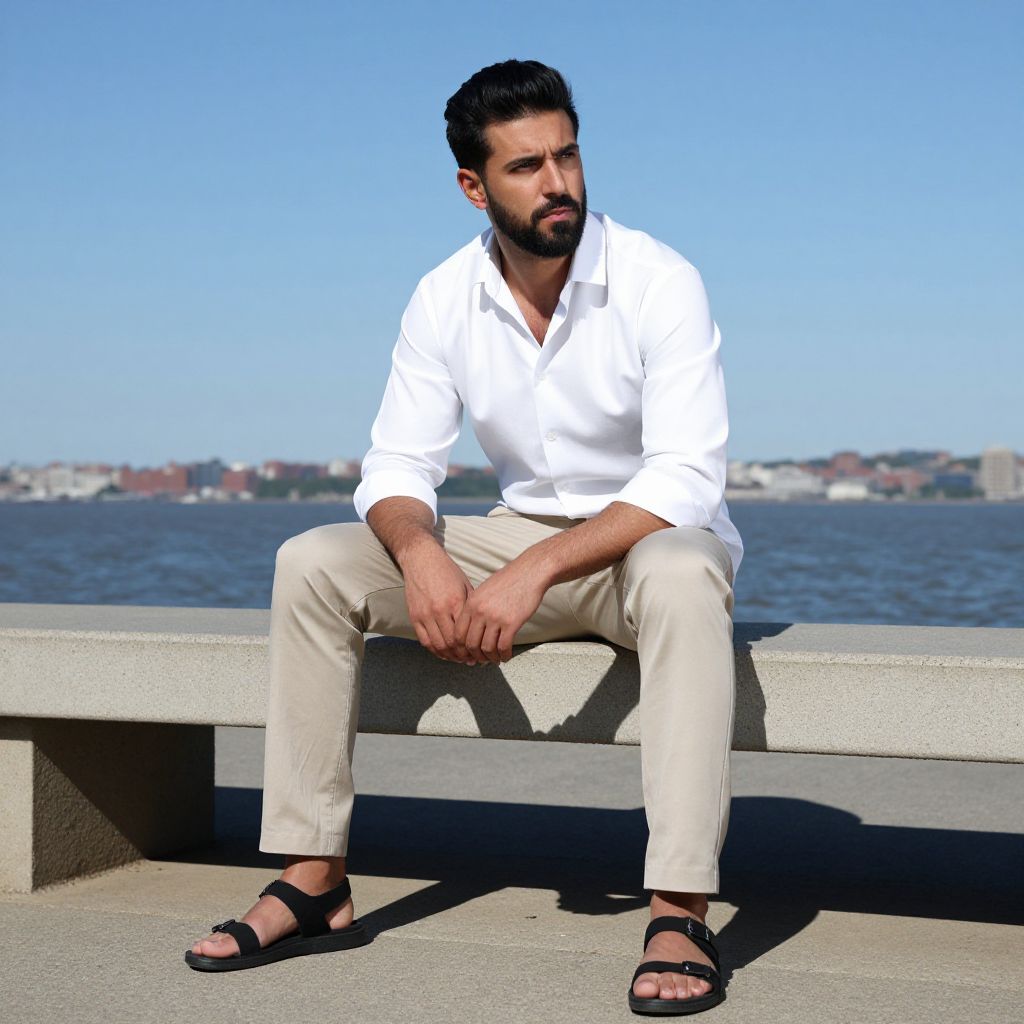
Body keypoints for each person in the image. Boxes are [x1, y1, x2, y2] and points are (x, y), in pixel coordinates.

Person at [186, 58, 743, 1017]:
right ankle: (313, 877)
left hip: (643, 551)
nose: (559, 182)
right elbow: (396, 468)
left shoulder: (660, 278)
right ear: (473, 186)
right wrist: (424, 553)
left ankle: (679, 907)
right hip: (516, 536)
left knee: (688, 569)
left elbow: (686, 476)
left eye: (567, 155)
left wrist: (533, 568)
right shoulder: (442, 295)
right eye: (527, 166)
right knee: (313, 561)